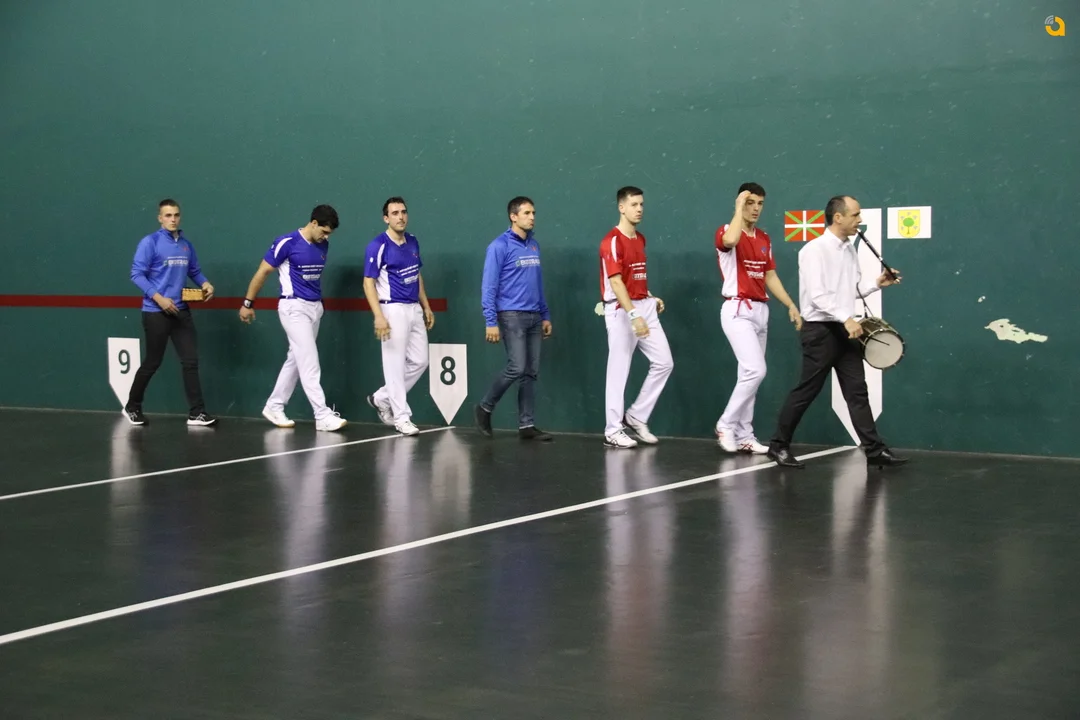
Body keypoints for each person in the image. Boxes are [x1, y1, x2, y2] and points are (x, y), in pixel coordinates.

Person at [767, 195, 907, 468]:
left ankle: (874, 450)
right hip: (820, 331)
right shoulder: (813, 250)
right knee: (807, 391)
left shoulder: (849, 250)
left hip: (845, 330)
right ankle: (778, 446)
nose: (860, 220)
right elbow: (818, 296)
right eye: (855, 215)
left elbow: (849, 291)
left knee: (857, 391)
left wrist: (876, 283)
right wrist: (847, 318)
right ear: (838, 217)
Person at [238, 204, 347, 432]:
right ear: (313, 223)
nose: (326, 237)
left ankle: (274, 405)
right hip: (293, 307)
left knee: (296, 359)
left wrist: (317, 307)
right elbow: (263, 272)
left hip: (314, 308)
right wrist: (248, 303)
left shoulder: (323, 244)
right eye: (324, 231)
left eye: (329, 233)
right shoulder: (287, 243)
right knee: (309, 361)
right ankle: (322, 415)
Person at [714, 182, 801, 454]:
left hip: (760, 311)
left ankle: (744, 435)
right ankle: (725, 424)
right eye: (750, 203)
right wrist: (738, 209)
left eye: (760, 204)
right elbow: (730, 241)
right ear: (740, 202)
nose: (755, 209)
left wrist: (790, 304)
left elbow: (769, 275)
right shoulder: (727, 231)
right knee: (755, 370)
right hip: (737, 310)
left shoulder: (764, 238)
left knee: (748, 374)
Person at [123, 198, 217, 426]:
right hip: (155, 312)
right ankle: (132, 406)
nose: (172, 219)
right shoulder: (150, 242)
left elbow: (194, 270)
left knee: (190, 361)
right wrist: (159, 299)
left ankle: (196, 413)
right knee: (152, 362)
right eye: (168, 215)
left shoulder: (185, 245)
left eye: (176, 215)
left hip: (181, 311)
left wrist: (205, 283)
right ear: (160, 218)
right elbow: (136, 274)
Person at [599, 186, 674, 449]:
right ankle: (612, 430)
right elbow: (616, 282)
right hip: (621, 311)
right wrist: (633, 314)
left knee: (664, 362)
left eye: (641, 204)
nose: (639, 209)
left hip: (644, 307)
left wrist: (649, 296)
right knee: (618, 370)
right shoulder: (612, 241)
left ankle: (636, 416)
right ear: (621, 207)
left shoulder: (640, 239)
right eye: (634, 205)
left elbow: (634, 277)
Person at [474, 196, 554, 441]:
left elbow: (537, 284)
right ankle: (485, 407)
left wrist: (545, 315)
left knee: (530, 372)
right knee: (517, 367)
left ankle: (526, 425)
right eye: (527, 213)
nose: (532, 217)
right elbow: (489, 286)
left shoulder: (533, 245)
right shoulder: (499, 246)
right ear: (513, 216)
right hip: (511, 316)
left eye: (533, 213)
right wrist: (490, 321)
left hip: (534, 316)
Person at [362, 197, 434, 437]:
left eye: (403, 212)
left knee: (420, 361)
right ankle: (401, 418)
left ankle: (381, 398)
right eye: (394, 213)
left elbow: (417, 274)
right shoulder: (378, 245)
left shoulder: (412, 241)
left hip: (414, 308)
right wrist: (378, 316)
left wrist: (426, 306)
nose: (400, 217)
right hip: (392, 310)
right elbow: (368, 283)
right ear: (386, 218)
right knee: (394, 366)